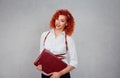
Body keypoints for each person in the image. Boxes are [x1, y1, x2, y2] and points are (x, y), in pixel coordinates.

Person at [36, 9, 78, 78]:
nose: (58, 22)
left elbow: (74, 62)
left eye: (62, 21)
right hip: (45, 74)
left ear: (67, 23)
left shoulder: (68, 39)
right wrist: (40, 65)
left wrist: (60, 74)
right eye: (57, 19)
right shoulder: (44, 35)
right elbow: (41, 53)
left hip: (62, 75)